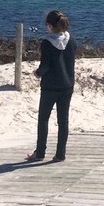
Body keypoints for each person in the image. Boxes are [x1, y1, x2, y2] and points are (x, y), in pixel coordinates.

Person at [27, 9, 77, 162]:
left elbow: (45, 65)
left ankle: (40, 152)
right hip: (67, 84)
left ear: (49, 25)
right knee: (63, 120)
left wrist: (37, 74)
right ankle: (60, 153)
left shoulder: (47, 43)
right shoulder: (72, 40)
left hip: (50, 86)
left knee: (43, 119)